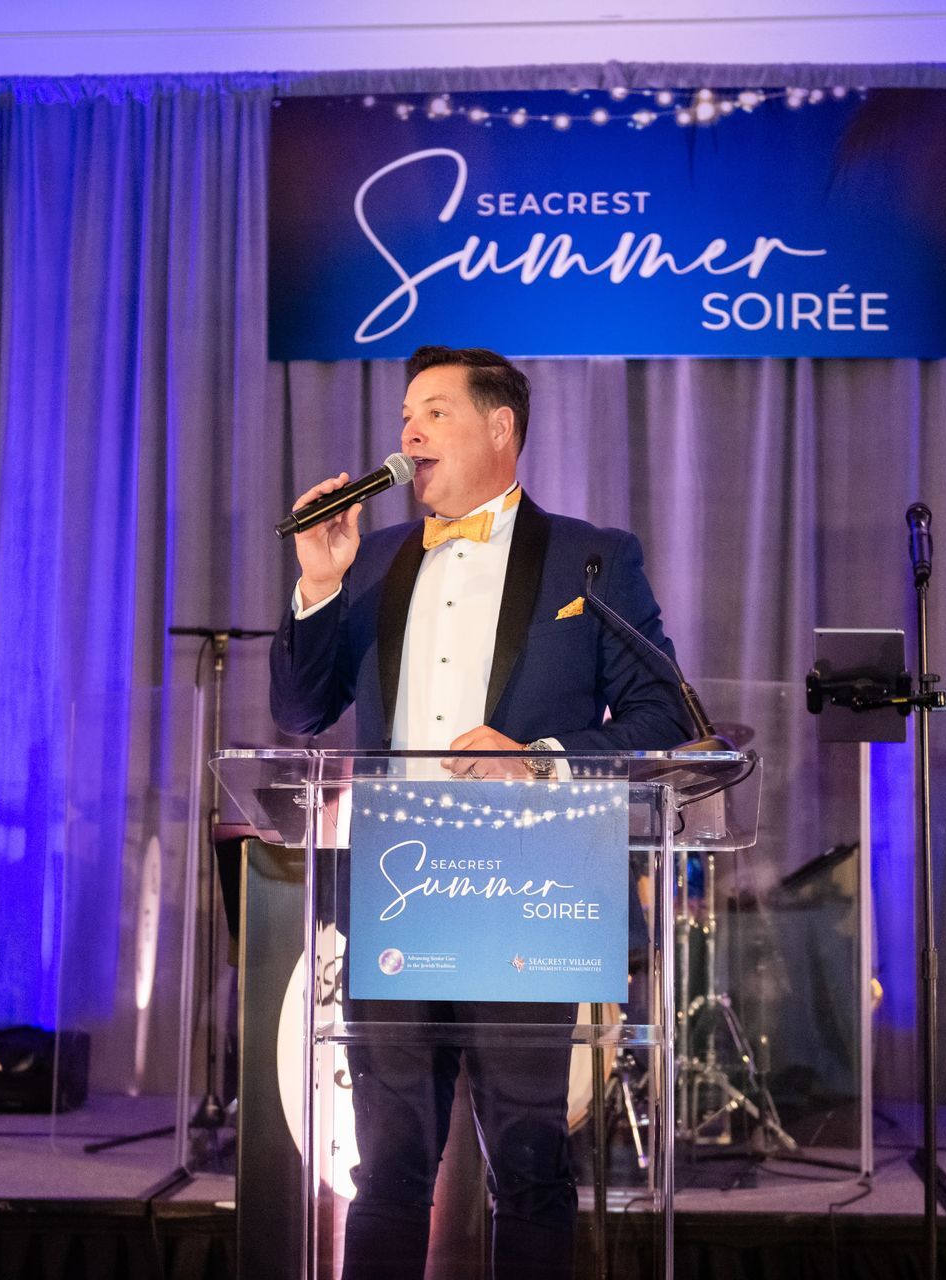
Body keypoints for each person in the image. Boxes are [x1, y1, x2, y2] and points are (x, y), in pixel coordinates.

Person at [271, 347, 693, 1279]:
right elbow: (299, 713)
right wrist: (317, 581)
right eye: (406, 415)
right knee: (384, 1168)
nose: (408, 432)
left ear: (500, 428)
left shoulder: (593, 557)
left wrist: (541, 761)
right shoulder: (373, 558)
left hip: (530, 885)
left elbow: (666, 716)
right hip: (400, 884)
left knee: (534, 1166)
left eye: (435, 413)